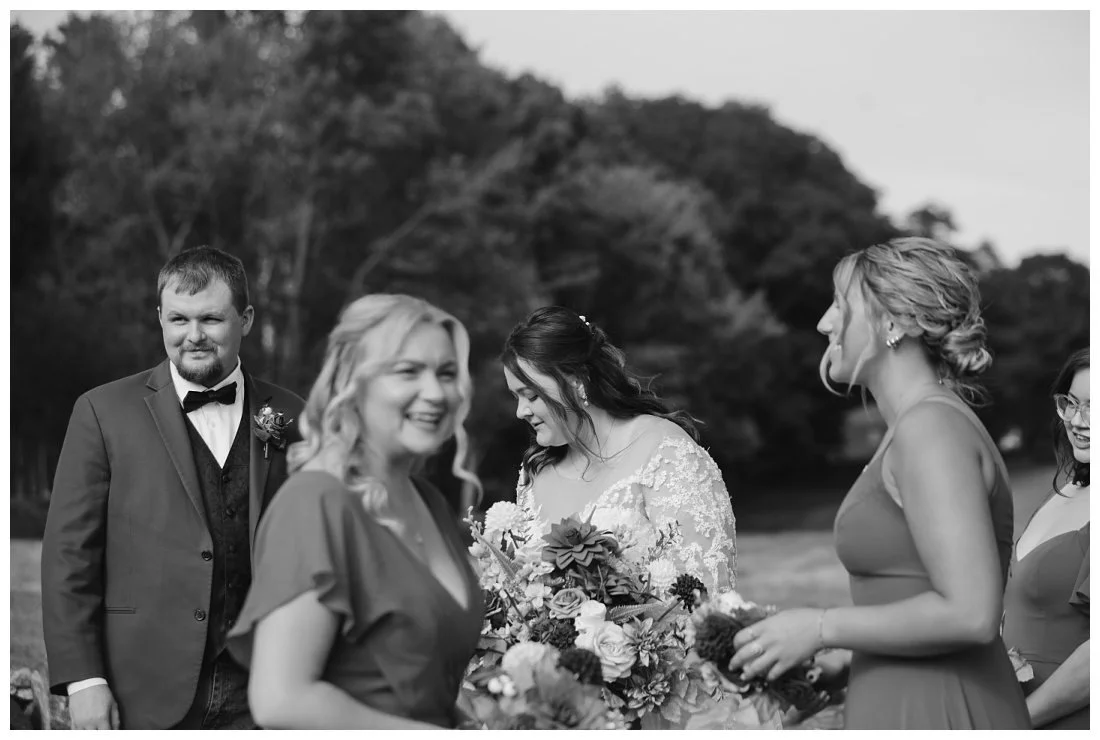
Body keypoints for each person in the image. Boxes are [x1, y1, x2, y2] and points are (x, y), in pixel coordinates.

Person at [727, 237, 1030, 729]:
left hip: (940, 709)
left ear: (893, 322)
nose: (825, 322)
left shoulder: (930, 429)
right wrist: (850, 660)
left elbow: (971, 614)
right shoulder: (913, 427)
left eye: (840, 305)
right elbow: (910, 598)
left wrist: (821, 627)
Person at [41, 246, 305, 730]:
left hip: (268, 692)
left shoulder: (298, 417)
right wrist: (83, 680)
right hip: (140, 687)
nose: (194, 336)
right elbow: (69, 556)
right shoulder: (103, 412)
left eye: (211, 319)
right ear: (160, 318)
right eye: (178, 319)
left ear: (245, 319)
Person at [225, 294, 485, 729]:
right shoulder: (316, 503)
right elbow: (282, 700)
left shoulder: (429, 501)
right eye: (408, 371)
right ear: (353, 381)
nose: (436, 393)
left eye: (446, 373)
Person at [502, 306, 737, 595]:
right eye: (516, 397)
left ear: (577, 381)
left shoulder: (664, 453)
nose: (520, 412)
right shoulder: (534, 473)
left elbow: (707, 597)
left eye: (531, 395)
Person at [1002, 348, 1090, 729]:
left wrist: (1016, 722)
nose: (1077, 420)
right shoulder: (1068, 489)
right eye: (1070, 403)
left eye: (1094, 406)